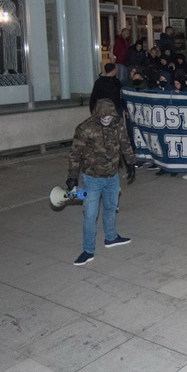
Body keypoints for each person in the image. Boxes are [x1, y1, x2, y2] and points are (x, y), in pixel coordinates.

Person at [66, 100, 136, 266]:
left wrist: (131, 162)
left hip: (112, 175)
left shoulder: (117, 123)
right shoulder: (85, 129)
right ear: (97, 113)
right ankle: (88, 250)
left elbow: (125, 142)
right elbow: (75, 154)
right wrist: (72, 176)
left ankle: (111, 237)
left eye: (110, 115)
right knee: (90, 215)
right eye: (104, 115)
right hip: (92, 178)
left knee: (111, 207)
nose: (107, 118)